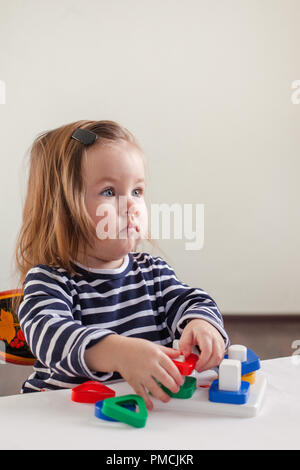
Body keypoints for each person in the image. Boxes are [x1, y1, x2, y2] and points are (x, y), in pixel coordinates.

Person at [14, 120, 229, 410]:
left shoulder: (153, 272)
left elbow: (191, 299)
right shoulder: (50, 280)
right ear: (62, 209)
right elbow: (48, 333)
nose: (132, 206)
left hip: (144, 415)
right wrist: (117, 352)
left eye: (137, 191)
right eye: (109, 192)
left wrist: (201, 323)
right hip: (65, 419)